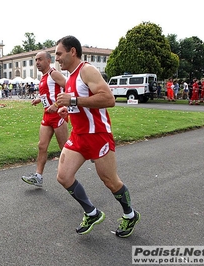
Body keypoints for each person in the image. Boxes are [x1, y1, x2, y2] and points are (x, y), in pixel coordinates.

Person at [54, 35, 140, 238]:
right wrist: (68, 110)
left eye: (59, 53)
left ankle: (130, 214)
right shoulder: (71, 76)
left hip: (98, 135)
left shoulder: (87, 70)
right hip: (79, 136)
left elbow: (109, 99)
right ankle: (91, 213)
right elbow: (82, 105)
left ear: (72, 51)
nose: (57, 58)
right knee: (63, 177)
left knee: (111, 182)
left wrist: (73, 100)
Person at [21, 51, 68, 187]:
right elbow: (47, 93)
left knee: (64, 147)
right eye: (36, 60)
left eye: (40, 59)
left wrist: (57, 104)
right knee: (42, 146)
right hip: (47, 115)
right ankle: (38, 176)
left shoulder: (54, 74)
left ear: (48, 61)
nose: (37, 63)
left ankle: (69, 173)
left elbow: (70, 88)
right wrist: (39, 99)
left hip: (58, 114)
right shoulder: (43, 77)